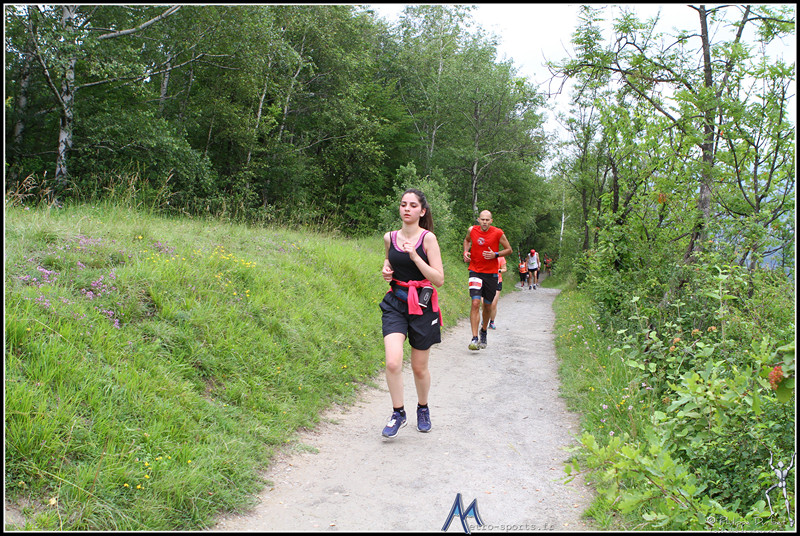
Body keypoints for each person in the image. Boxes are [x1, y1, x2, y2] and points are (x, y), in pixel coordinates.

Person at [379, 188, 444, 438]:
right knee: (393, 362)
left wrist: (416, 257)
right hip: (395, 303)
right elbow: (390, 261)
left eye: (413, 205)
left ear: (422, 211)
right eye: (403, 204)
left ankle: (423, 408)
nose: (407, 209)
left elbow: (438, 279)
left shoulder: (428, 239)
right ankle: (398, 413)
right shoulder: (390, 237)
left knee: (419, 368)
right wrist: (386, 269)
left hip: (423, 307)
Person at [463, 210, 512, 350]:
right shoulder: (472, 230)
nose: (484, 222)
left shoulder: (498, 233)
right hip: (475, 271)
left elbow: (509, 250)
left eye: (487, 220)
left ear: (491, 221)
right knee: (475, 303)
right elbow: (467, 240)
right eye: (482, 219)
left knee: (487, 306)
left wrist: (495, 254)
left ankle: (483, 330)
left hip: (491, 274)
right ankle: (474, 338)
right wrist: (466, 252)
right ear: (479, 220)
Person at [488, 254, 507, 329]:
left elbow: (504, 269)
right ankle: (485, 318)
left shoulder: (500, 257)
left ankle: (492, 322)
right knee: (485, 303)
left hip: (497, 281)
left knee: (493, 304)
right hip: (486, 281)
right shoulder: (486, 255)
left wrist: (498, 270)